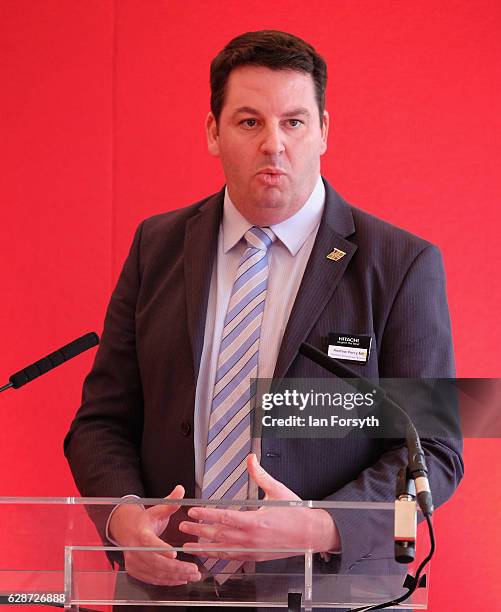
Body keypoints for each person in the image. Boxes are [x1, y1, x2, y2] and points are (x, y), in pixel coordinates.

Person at [64, 29, 463, 606]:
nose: (274, 144)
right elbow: (100, 424)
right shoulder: (158, 246)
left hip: (329, 591)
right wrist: (122, 517)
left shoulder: (402, 263)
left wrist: (323, 525)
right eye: (250, 122)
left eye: (294, 122)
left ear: (325, 129)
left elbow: (437, 449)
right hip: (167, 591)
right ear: (213, 131)